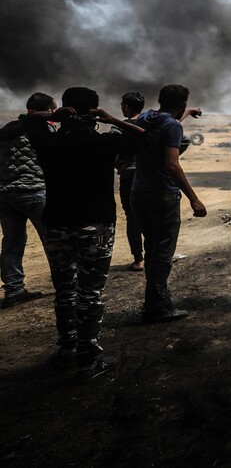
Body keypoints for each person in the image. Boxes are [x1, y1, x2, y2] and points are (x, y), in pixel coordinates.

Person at [22, 87, 148, 382]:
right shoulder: (104, 142)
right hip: (96, 226)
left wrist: (52, 116)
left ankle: (67, 351)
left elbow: (25, 120)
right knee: (90, 293)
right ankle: (87, 361)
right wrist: (112, 119)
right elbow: (145, 139)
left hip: (56, 225)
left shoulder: (48, 141)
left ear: (65, 110)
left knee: (65, 290)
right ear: (94, 113)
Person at [131, 84, 207, 324]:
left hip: (139, 192)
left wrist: (188, 112)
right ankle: (157, 306)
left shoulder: (144, 118)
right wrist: (193, 198)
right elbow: (172, 165)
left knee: (152, 248)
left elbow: (168, 123)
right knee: (163, 252)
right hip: (162, 195)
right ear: (182, 103)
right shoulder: (172, 126)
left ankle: (154, 301)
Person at [0, 92, 56, 309]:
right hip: (33, 192)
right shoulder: (42, 129)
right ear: (47, 110)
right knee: (52, 239)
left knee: (12, 243)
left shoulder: (7, 130)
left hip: (5, 194)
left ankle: (13, 290)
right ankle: (65, 284)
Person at [115, 91, 146, 271]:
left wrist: (119, 163)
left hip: (129, 178)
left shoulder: (119, 127)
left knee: (132, 218)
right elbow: (183, 141)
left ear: (126, 106)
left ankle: (138, 259)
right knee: (153, 216)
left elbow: (112, 149)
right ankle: (156, 255)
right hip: (150, 177)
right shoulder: (151, 124)